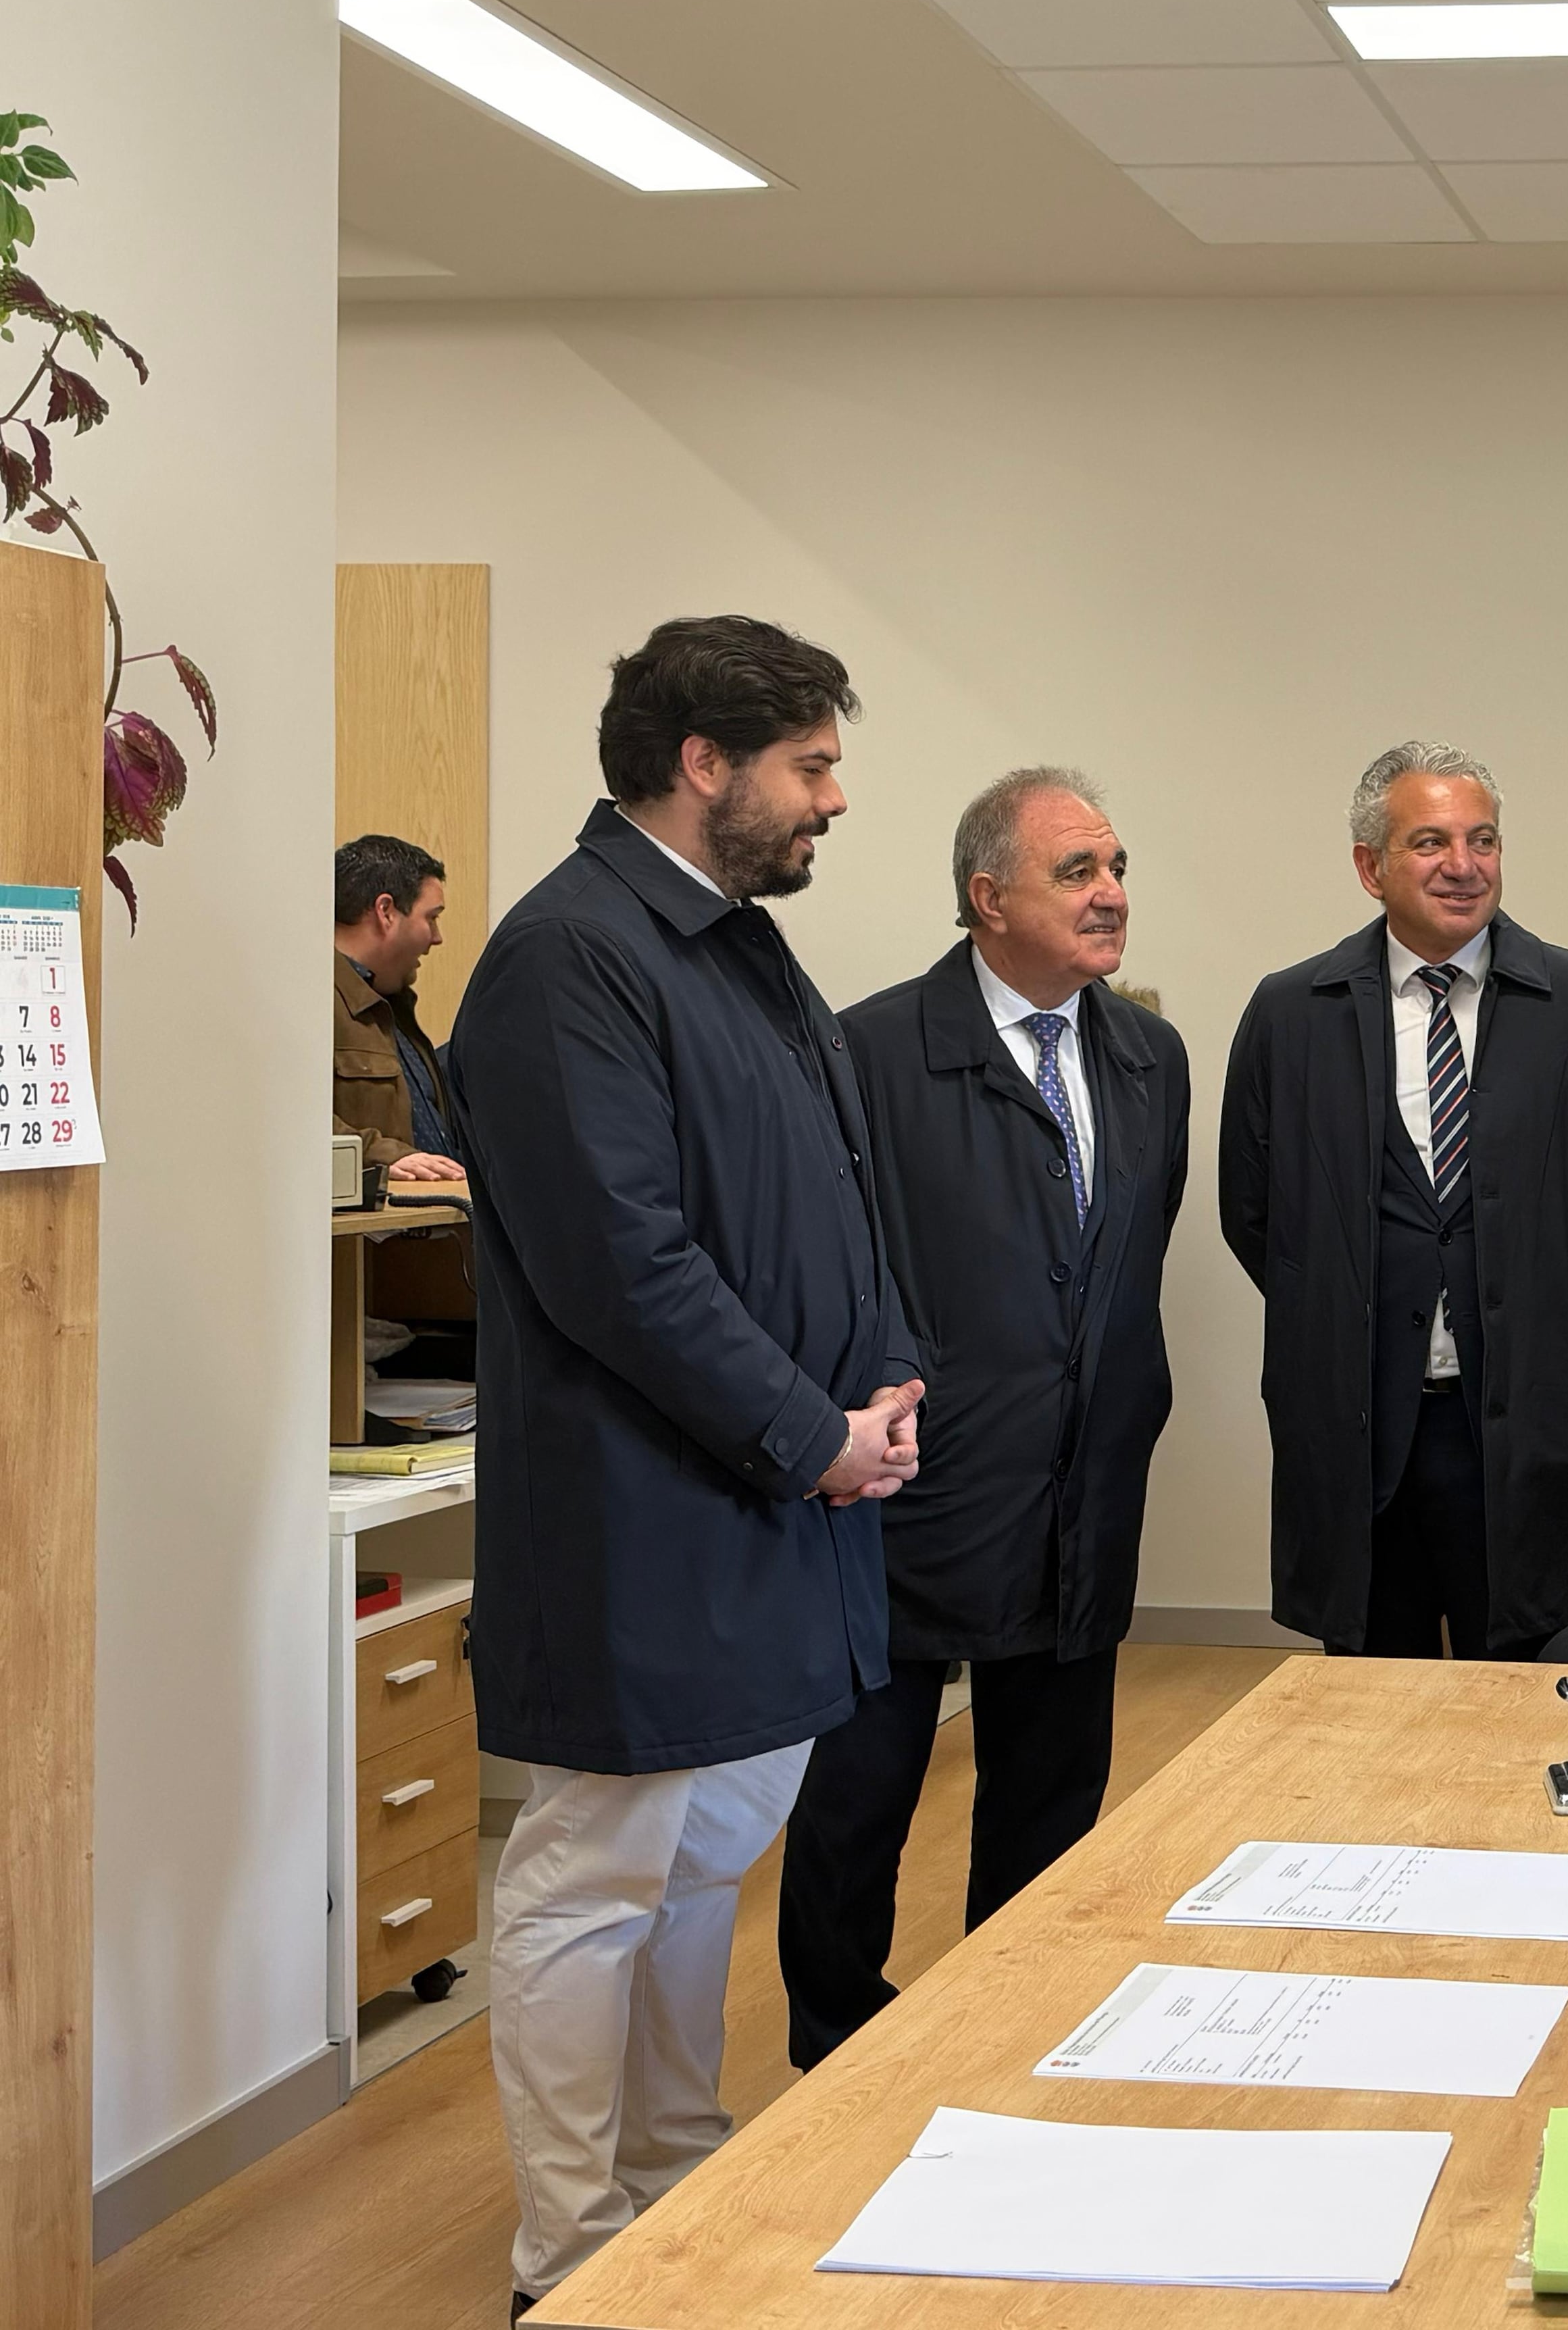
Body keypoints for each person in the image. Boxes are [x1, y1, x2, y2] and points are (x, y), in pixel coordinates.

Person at [447, 615, 924, 2320]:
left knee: (708, 1858)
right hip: (647, 1509)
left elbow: (840, 1196)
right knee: (595, 1875)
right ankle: (571, 2252)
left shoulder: (739, 947)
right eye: (809, 765)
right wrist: (814, 1435)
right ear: (700, 762)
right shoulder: (566, 956)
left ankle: (672, 2186)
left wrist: (886, 1381)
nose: (833, 798)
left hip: (778, 1496)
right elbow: (623, 1266)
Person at [780, 767, 1189, 2069]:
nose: (1110, 893)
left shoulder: (1150, 1056)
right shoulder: (870, 1050)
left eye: (1117, 868)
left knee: (1053, 1793)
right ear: (987, 896)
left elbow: (1133, 1253)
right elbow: (833, 1262)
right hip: (914, 1485)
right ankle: (836, 2051)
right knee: (861, 1796)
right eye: (1077, 871)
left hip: (1085, 1479)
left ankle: (1016, 2030)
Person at [1219, 740, 1568, 1661]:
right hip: (1362, 1428)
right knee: (1369, 1698)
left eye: (1483, 840)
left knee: (1536, 1684)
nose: (1463, 865)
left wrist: (1546, 1315)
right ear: (1370, 867)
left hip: (1533, 1424)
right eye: (1430, 842)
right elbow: (1257, 1216)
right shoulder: (1291, 1014)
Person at [333, 832, 467, 1183]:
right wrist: (379, 1156)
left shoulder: (392, 1005)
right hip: (380, 1219)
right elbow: (283, 1117)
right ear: (386, 912)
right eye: (431, 918)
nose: (437, 938)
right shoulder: (310, 999)